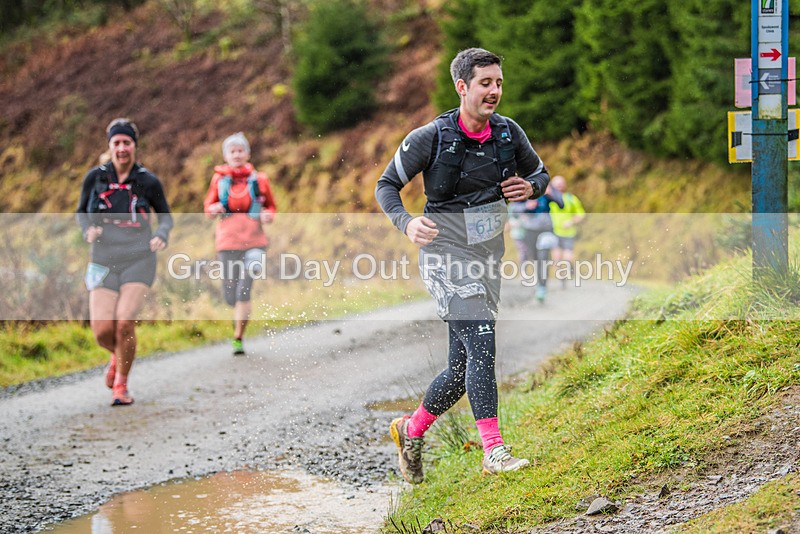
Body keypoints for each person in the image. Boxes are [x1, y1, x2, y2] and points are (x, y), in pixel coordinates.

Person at [375, 48, 550, 483]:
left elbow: (543, 175)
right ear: (462, 87)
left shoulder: (508, 134)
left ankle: (409, 430)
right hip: (444, 254)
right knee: (484, 342)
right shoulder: (429, 137)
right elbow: (387, 185)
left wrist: (529, 187)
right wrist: (406, 222)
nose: (495, 91)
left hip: (488, 255)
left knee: (460, 368)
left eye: (499, 83)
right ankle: (494, 451)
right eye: (486, 83)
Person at [76, 118, 173, 406]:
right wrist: (87, 230)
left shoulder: (148, 181)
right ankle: (119, 356)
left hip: (139, 259)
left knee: (124, 323)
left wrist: (161, 234)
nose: (121, 148)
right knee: (103, 330)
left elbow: (165, 216)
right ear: (110, 146)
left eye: (126, 142)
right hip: (103, 259)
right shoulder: (95, 178)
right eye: (116, 143)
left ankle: (121, 385)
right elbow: (82, 211)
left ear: (134, 147)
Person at [204, 132, 277, 355]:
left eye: (240, 150)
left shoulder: (260, 179)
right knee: (230, 294)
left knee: (244, 290)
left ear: (247, 153)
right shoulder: (218, 180)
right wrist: (214, 209)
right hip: (227, 242)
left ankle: (238, 337)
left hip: (255, 241)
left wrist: (267, 215)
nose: (236, 154)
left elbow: (272, 207)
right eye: (232, 151)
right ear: (225, 155)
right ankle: (237, 317)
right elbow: (208, 208)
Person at [510, 183, 563, 303]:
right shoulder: (524, 186)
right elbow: (513, 209)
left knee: (543, 258)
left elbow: (561, 204)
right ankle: (540, 282)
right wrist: (527, 206)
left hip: (546, 229)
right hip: (529, 229)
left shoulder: (550, 187)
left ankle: (542, 287)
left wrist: (551, 194)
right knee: (535, 258)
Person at [548, 175, 586, 287]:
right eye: (556, 185)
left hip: (568, 233)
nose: (559, 187)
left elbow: (581, 214)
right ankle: (562, 277)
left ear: (564, 185)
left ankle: (569, 268)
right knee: (556, 257)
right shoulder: (548, 198)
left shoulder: (571, 198)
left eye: (561, 184)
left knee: (567, 257)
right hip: (553, 231)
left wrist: (571, 221)